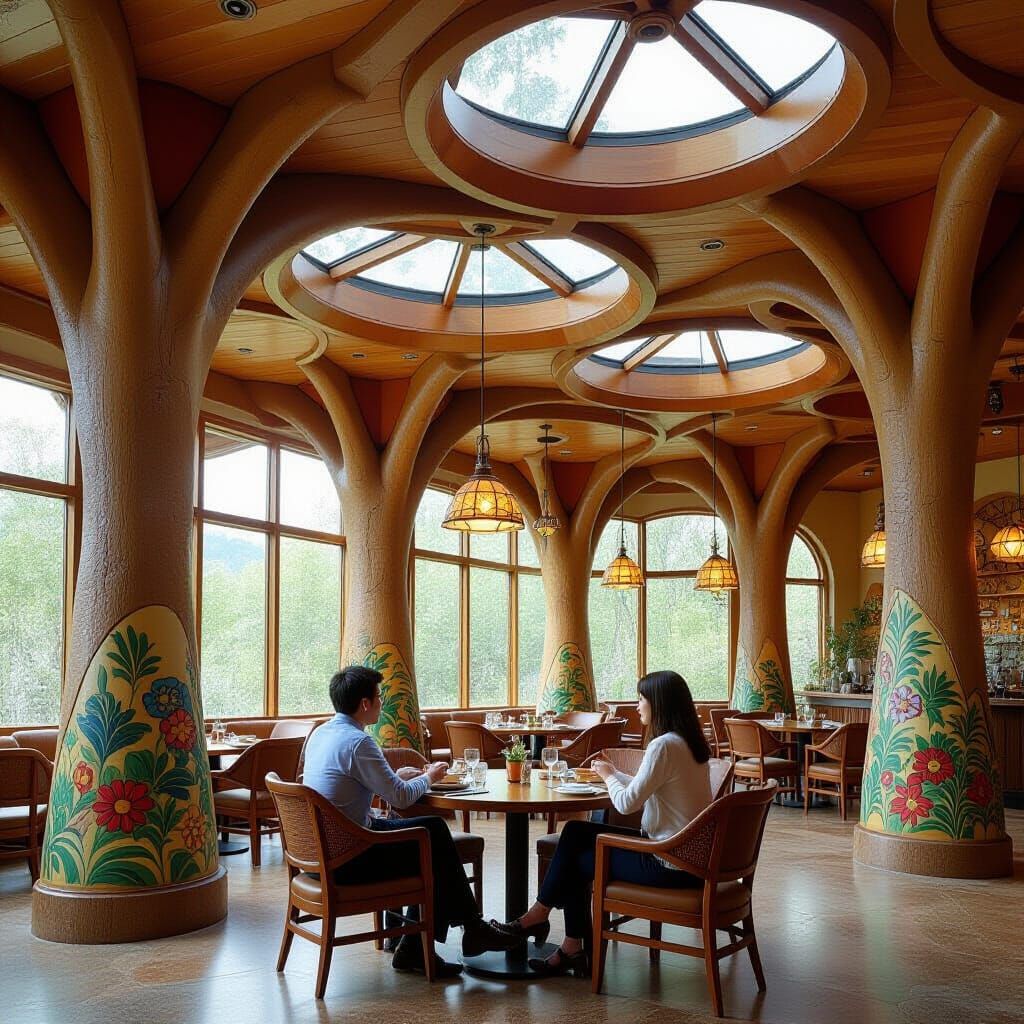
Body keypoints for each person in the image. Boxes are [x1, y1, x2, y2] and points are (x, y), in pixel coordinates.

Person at [302, 664, 517, 978]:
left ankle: (438, 939)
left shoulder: (321, 734)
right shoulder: (359, 743)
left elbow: (353, 787)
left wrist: (395, 778)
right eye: (378, 697)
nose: (380, 703)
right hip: (347, 859)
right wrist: (429, 776)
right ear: (365, 704)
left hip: (317, 854)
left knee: (431, 837)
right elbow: (401, 799)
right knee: (434, 836)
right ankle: (460, 931)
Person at [496, 670, 713, 977]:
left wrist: (610, 777)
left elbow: (626, 803)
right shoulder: (689, 744)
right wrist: (610, 773)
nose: (637, 706)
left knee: (579, 859)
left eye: (641, 699)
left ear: (659, 704)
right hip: (687, 857)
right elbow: (646, 787)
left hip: (669, 863)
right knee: (575, 832)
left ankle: (543, 920)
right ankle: (560, 937)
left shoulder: (663, 745)